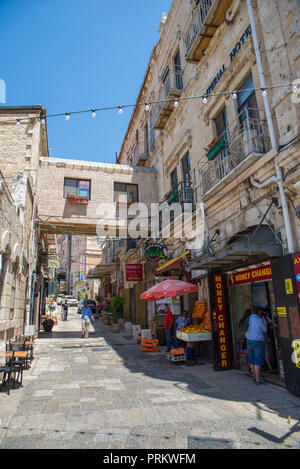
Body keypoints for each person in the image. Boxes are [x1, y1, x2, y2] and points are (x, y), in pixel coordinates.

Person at [246, 306, 267, 384]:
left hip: (249, 340)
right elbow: (265, 330)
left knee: (251, 359)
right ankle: (258, 380)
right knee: (258, 360)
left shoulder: (248, 318)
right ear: (258, 311)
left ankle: (254, 376)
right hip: (257, 341)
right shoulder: (258, 319)